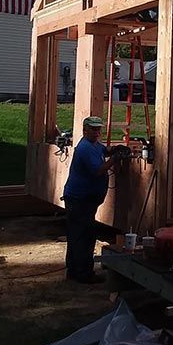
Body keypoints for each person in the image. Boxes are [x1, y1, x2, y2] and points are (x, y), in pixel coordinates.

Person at [62, 116, 117, 283]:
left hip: (84, 200)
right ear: (85, 130)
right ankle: (82, 274)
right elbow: (98, 170)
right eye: (93, 129)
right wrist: (115, 159)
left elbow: (103, 151)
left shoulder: (93, 145)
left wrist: (113, 150)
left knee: (77, 234)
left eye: (99, 129)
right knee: (84, 236)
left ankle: (74, 271)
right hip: (79, 200)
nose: (97, 132)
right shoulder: (85, 148)